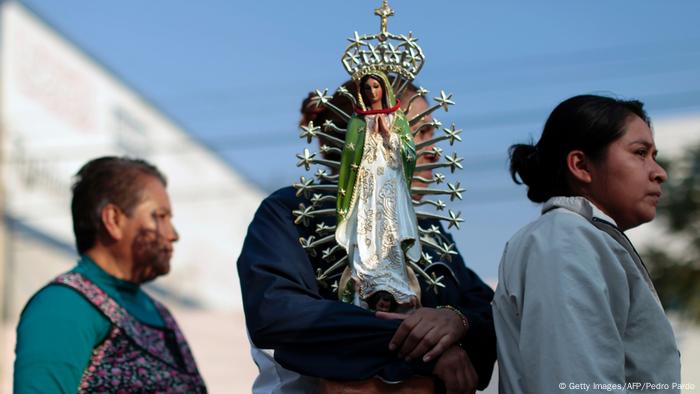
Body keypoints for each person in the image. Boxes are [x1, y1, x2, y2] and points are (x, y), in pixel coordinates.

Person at [238, 80, 496, 394]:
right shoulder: (293, 212)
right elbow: (277, 313)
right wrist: (424, 346)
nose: (434, 152)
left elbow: (489, 312)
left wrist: (456, 321)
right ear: (379, 132)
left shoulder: (425, 227)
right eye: (422, 132)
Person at [492, 95, 681, 393]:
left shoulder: (582, 238)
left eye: (653, 155)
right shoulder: (564, 238)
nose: (659, 172)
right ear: (581, 165)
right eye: (640, 152)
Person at [13, 157, 206, 393]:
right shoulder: (64, 305)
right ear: (113, 220)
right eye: (161, 216)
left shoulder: (161, 315)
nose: (173, 234)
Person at [336, 71, 422, 312]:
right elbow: (350, 156)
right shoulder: (358, 121)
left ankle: (395, 283)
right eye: (368, 88)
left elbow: (408, 153)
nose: (373, 92)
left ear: (384, 89)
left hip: (390, 183)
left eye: (376, 86)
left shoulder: (397, 119)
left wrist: (389, 136)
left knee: (389, 229)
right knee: (367, 228)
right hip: (367, 185)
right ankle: (365, 282)